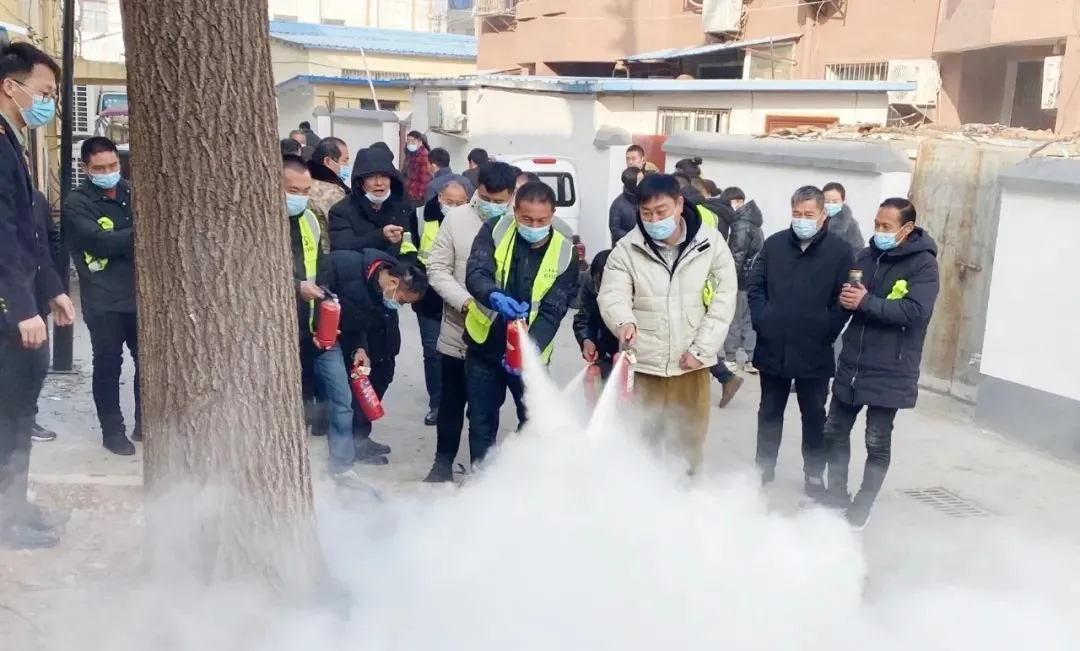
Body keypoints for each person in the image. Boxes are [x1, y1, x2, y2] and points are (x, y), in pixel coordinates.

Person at [597, 174, 737, 474]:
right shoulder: (627, 249)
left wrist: (702, 350)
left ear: (679, 204)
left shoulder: (710, 244)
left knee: (687, 446)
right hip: (644, 365)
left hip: (691, 366)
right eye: (646, 213)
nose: (654, 220)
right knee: (638, 445)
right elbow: (612, 295)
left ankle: (684, 496)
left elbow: (724, 300)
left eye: (661, 211)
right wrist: (623, 322)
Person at [823, 198, 939, 528]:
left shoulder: (924, 265)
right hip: (853, 362)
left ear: (907, 229)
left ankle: (862, 506)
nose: (879, 231)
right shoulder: (866, 255)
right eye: (877, 224)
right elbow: (852, 299)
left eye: (886, 226)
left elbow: (916, 312)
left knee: (876, 441)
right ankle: (836, 495)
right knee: (834, 431)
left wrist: (866, 302)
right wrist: (846, 302)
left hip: (891, 367)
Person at [0, 41, 75, 549]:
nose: (48, 103)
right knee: (8, 417)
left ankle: (14, 505)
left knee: (20, 414)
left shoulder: (14, 143)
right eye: (44, 92)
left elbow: (32, 229)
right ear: (11, 86)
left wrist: (52, 290)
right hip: (8, 312)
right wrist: (21, 308)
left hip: (24, 301)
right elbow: (2, 234)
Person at [463, 181, 580, 467]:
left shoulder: (566, 253)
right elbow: (477, 272)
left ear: (552, 214)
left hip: (531, 354)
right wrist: (494, 296)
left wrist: (529, 347)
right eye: (527, 219)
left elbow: (553, 310)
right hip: (485, 345)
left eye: (541, 220)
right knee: (481, 418)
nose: (534, 226)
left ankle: (527, 478)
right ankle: (481, 477)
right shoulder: (494, 230)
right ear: (515, 212)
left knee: (534, 420)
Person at [748, 185, 854, 496]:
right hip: (774, 345)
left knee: (814, 415)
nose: (802, 220)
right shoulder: (775, 244)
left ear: (822, 215)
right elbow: (756, 287)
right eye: (797, 213)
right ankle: (763, 467)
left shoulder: (840, 252)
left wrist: (827, 328)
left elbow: (843, 300)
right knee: (769, 411)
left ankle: (813, 473)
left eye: (809, 214)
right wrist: (764, 320)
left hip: (815, 349)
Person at [422, 162, 518, 482]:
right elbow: (437, 269)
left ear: (511, 195)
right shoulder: (457, 219)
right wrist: (463, 302)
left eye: (499, 200)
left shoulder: (518, 222)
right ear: (478, 189)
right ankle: (442, 464)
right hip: (458, 327)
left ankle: (483, 472)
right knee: (451, 401)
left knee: (485, 409)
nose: (491, 205)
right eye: (486, 198)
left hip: (502, 333)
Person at [283, 156, 375, 477]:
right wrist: (295, 286)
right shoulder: (260, 223)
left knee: (341, 399)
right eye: (292, 190)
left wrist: (335, 322)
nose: (300, 197)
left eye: (305, 190)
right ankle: (290, 472)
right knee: (290, 407)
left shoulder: (310, 219)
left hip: (319, 330)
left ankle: (342, 469)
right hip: (281, 334)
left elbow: (323, 272)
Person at [65, 136, 140, 456]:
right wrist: (142, 234)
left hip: (139, 295)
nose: (109, 172)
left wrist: (122, 240)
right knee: (108, 364)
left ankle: (144, 424)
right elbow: (99, 243)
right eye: (100, 168)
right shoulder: (77, 202)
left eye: (113, 165)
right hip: (103, 298)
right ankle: (113, 431)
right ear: (86, 168)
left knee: (147, 363)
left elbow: (115, 241)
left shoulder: (130, 192)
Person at [327, 249, 429, 468]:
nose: (400, 305)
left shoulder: (384, 288)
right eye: (402, 300)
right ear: (393, 282)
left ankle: (359, 442)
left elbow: (361, 321)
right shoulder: (345, 266)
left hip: (369, 344)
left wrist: (362, 349)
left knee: (368, 392)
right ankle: (346, 452)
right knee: (346, 400)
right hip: (334, 340)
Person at [411, 180, 470, 427]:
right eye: (449, 202)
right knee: (432, 353)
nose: (453, 207)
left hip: (462, 299)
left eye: (459, 203)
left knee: (463, 354)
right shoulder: (421, 217)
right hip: (429, 299)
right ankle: (437, 403)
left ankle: (464, 401)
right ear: (440, 199)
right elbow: (409, 250)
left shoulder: (473, 222)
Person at [329, 147, 414, 260]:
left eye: (384, 176)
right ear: (360, 182)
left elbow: (409, 249)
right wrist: (381, 236)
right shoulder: (341, 211)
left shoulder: (400, 209)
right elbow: (342, 248)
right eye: (371, 177)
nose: (378, 183)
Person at [721, 188, 764, 375]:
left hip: (740, 279)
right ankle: (751, 358)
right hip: (752, 279)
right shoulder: (754, 222)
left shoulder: (741, 225)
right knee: (748, 320)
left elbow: (737, 255)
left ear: (738, 201)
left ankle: (730, 358)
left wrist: (728, 279)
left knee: (734, 319)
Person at [28, 190, 59, 443]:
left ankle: (26, 417)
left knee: (37, 362)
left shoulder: (36, 199)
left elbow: (49, 244)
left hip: (34, 297)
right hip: (10, 297)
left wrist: (55, 289)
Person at [574, 250, 618, 378]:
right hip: (604, 349)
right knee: (595, 379)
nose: (600, 290)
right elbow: (584, 316)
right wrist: (586, 340)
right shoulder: (590, 281)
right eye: (598, 284)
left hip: (635, 354)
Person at [306, 137, 351, 254]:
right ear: (328, 161)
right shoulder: (332, 192)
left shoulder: (304, 182)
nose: (347, 165)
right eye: (344, 160)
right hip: (327, 252)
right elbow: (346, 227)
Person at [822, 182, 864, 251]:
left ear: (843, 201)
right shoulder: (815, 219)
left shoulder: (850, 224)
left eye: (835, 202)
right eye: (826, 201)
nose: (830, 204)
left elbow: (858, 249)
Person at [609, 165, 643, 244]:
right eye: (640, 180)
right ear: (632, 184)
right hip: (625, 246)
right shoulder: (617, 205)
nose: (643, 183)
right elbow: (615, 230)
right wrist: (634, 237)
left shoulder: (644, 199)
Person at [403, 130, 431, 208]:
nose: (410, 143)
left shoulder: (424, 155)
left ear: (420, 142)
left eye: (413, 141)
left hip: (417, 197)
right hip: (410, 193)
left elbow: (424, 179)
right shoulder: (411, 154)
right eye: (408, 141)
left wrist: (419, 196)